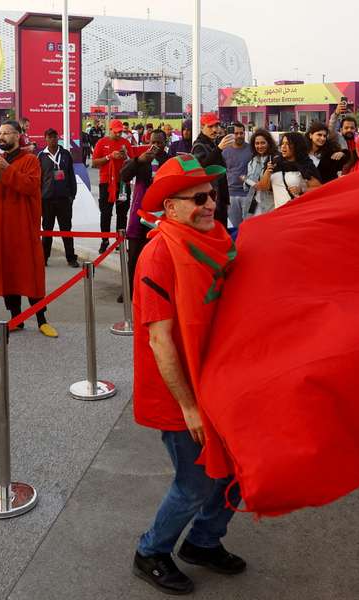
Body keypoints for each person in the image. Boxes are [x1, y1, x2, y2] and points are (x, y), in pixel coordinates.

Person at [131, 154, 245, 595]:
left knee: (236, 470)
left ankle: (203, 541)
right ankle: (151, 551)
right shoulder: (158, 255)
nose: (210, 203)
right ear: (171, 207)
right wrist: (189, 406)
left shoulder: (217, 239)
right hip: (181, 393)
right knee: (196, 482)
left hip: (220, 382)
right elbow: (161, 341)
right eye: (198, 197)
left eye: (211, 194)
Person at [0, 120, 57, 338]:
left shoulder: (31, 161)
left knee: (31, 274)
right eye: (0, 133)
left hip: (24, 228)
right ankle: (16, 318)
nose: (2, 136)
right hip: (0, 229)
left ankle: (42, 319)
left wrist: (7, 170)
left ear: (18, 135)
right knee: (8, 274)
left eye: (7, 133)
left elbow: (29, 186)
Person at [121, 128, 170, 298]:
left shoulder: (170, 161)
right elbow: (124, 176)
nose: (156, 146)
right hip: (139, 215)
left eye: (159, 142)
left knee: (158, 257)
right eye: (153, 142)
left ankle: (154, 291)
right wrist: (138, 160)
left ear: (165, 143)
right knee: (134, 256)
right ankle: (128, 291)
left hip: (161, 216)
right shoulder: (142, 158)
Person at [37, 128, 79, 269]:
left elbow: (71, 176)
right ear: (45, 139)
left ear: (58, 138)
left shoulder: (66, 154)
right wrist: (39, 197)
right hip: (47, 199)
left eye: (55, 137)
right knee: (47, 230)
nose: (53, 139)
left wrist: (72, 195)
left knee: (66, 229)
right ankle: (43, 258)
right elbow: (38, 179)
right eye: (50, 137)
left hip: (63, 199)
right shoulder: (41, 156)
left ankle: (71, 258)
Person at [92, 120, 134, 254]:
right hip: (106, 183)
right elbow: (94, 163)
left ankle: (120, 242)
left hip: (122, 183)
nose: (118, 134)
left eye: (120, 131)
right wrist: (109, 156)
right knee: (106, 213)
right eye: (116, 132)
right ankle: (105, 240)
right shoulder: (101, 142)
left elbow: (132, 162)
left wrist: (125, 156)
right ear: (110, 130)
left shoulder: (126, 143)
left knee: (122, 213)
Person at [257, 132, 321, 209]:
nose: (283, 146)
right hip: (279, 212)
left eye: (288, 144)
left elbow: (319, 188)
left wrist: (302, 190)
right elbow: (263, 187)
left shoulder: (305, 164)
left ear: (297, 146)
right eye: (282, 143)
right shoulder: (275, 162)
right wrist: (267, 172)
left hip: (298, 211)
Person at [192, 113, 232, 227]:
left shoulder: (212, 143)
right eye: (210, 126)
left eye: (217, 126)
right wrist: (219, 149)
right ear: (202, 126)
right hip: (209, 199)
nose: (215, 130)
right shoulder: (199, 145)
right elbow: (200, 167)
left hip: (219, 198)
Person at [221, 122, 254, 228]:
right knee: (235, 228)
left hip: (248, 194)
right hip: (231, 195)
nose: (239, 136)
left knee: (249, 227)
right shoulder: (224, 151)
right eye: (236, 133)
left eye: (241, 133)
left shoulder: (252, 150)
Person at [243, 128, 278, 216]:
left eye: (263, 143)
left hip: (270, 205)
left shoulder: (275, 159)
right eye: (257, 143)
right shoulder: (253, 160)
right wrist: (247, 181)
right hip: (253, 205)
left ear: (269, 143)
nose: (260, 146)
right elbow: (247, 185)